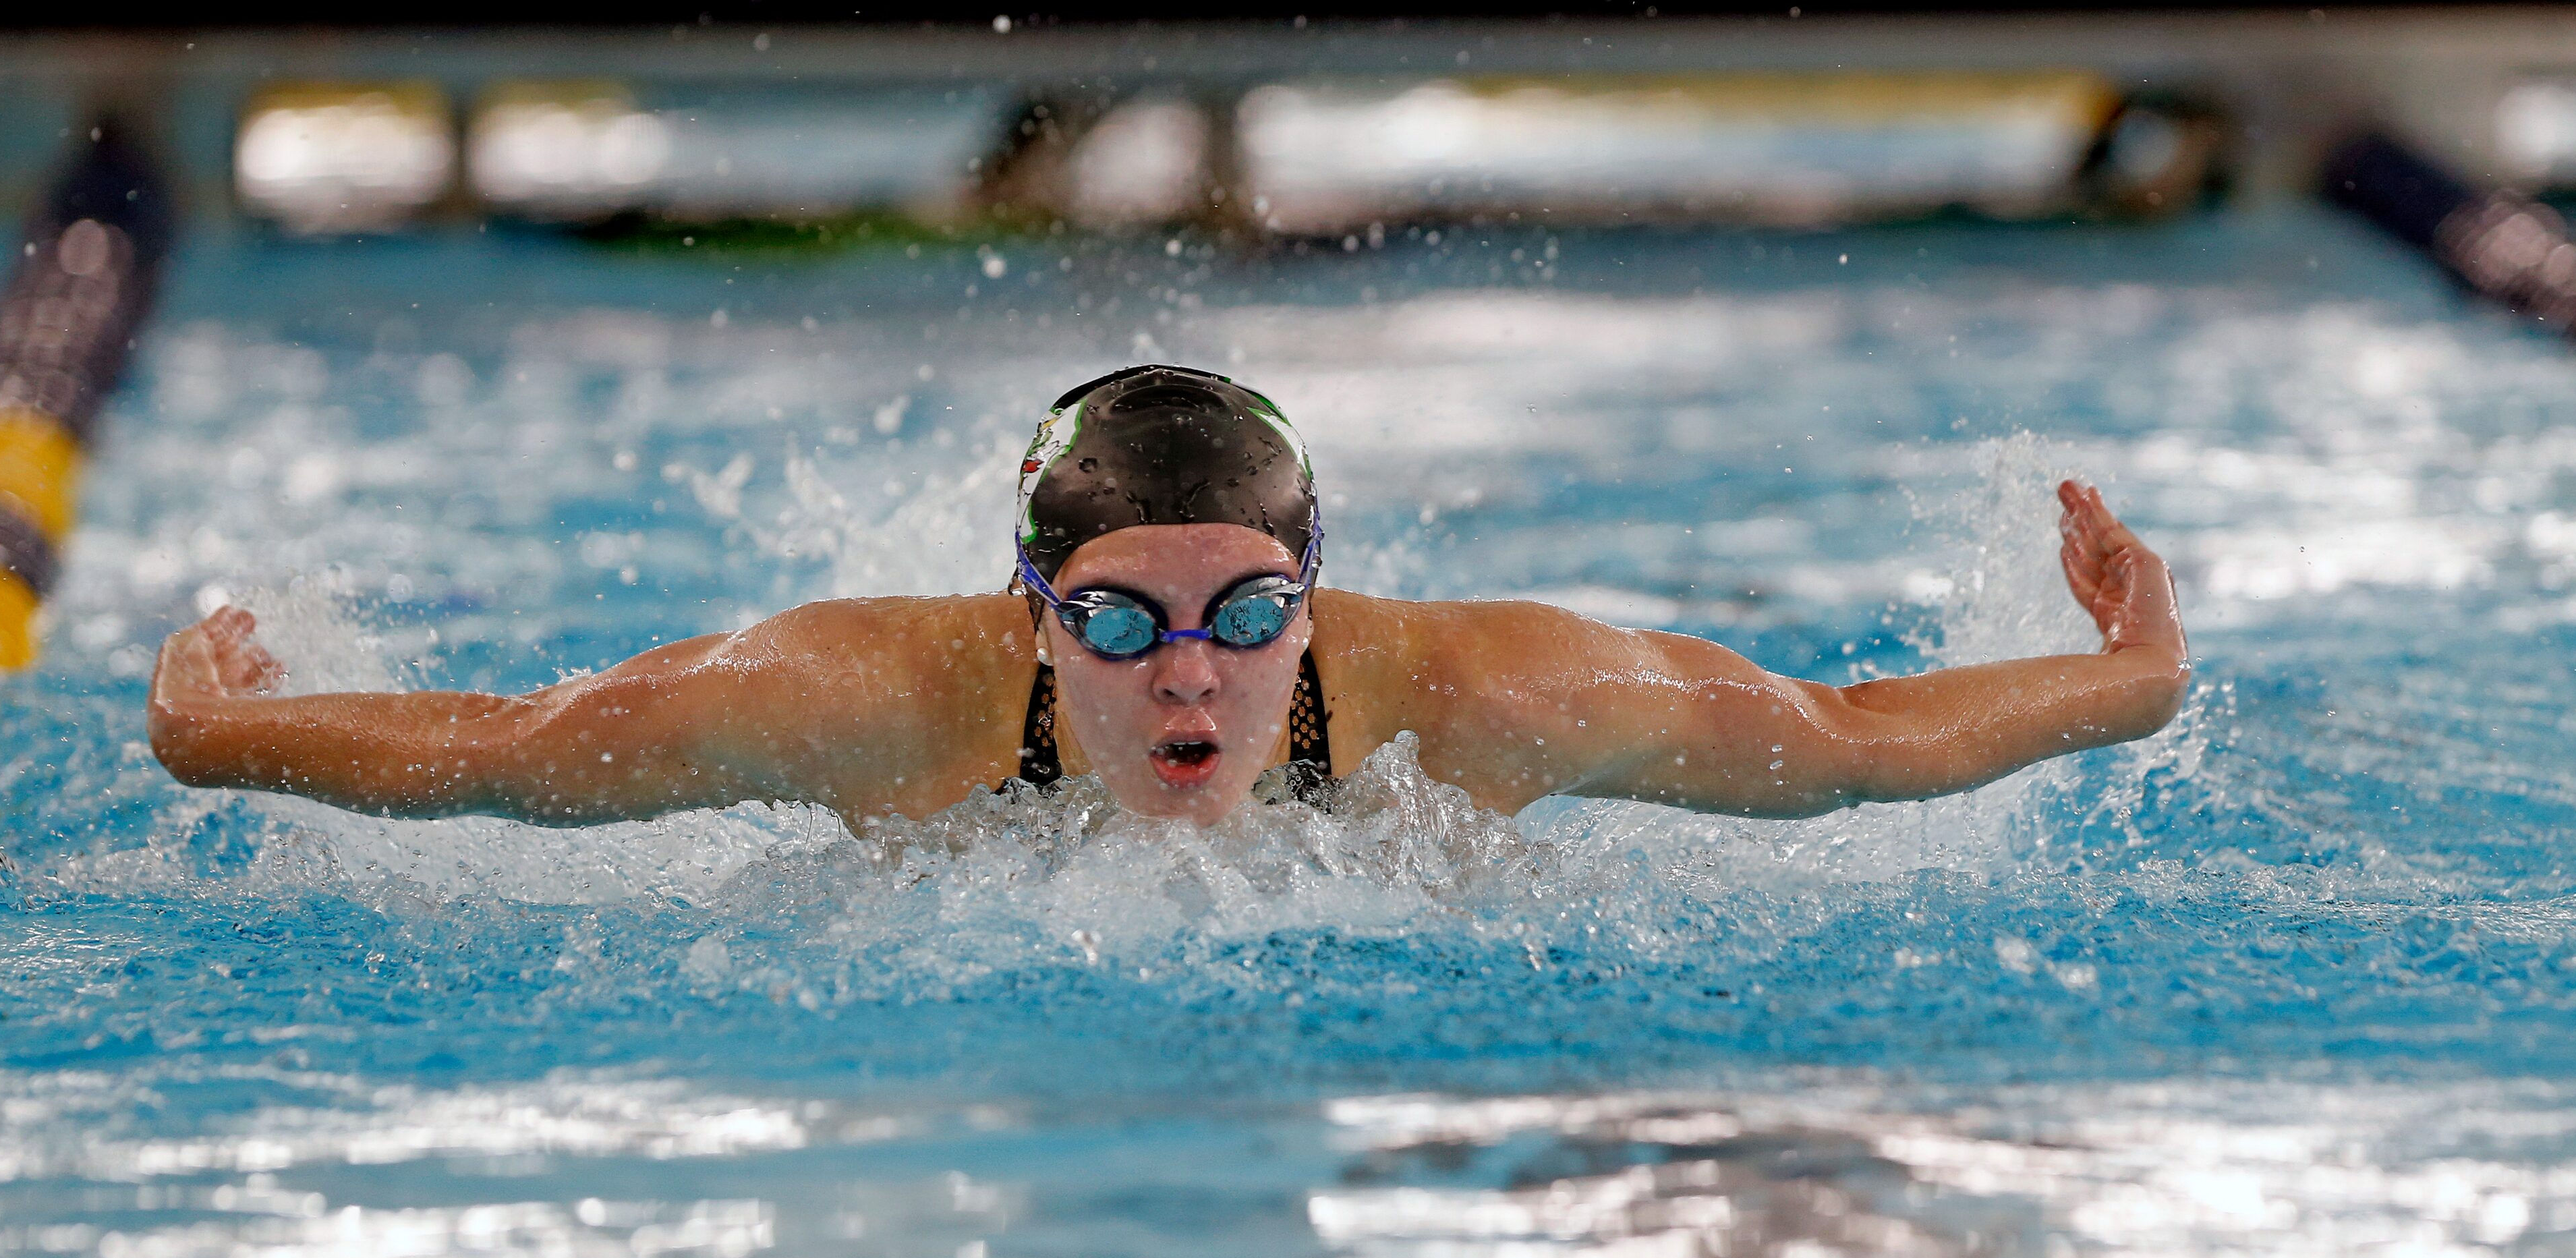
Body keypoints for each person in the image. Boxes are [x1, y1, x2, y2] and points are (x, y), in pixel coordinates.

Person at [147, 364, 2189, 831]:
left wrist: (2132, 680)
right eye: (1119, 623)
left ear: (1322, 597)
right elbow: (509, 757)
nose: (1188, 674)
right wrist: (215, 734)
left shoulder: (1478, 695)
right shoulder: (868, 700)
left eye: (1247, 615)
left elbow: (1839, 747)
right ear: (1029, 609)